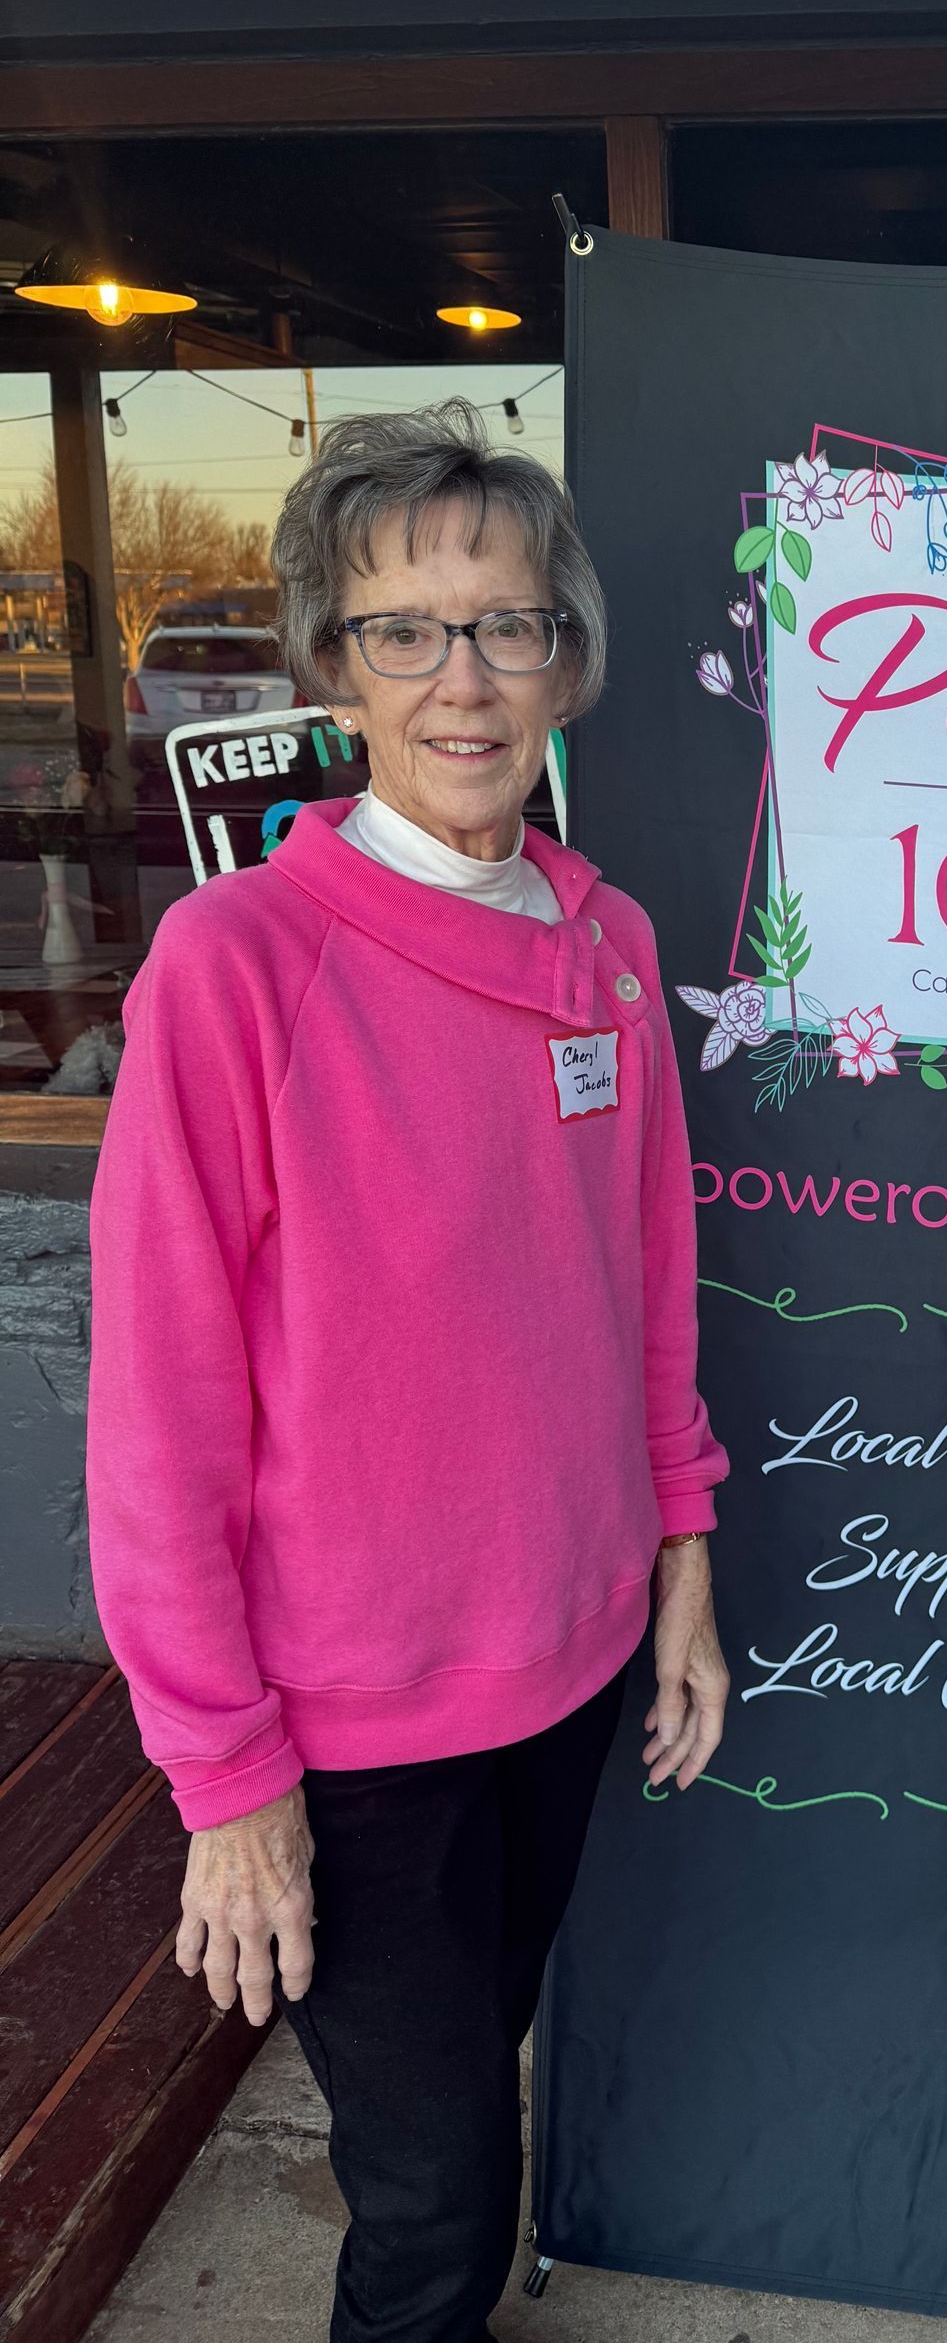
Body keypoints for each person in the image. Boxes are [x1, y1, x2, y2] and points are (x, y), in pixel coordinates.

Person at [87, 401, 729, 2343]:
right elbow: (159, 1416)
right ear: (333, 658)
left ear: (566, 656)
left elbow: (651, 1286)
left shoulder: (607, 943)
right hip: (352, 1724)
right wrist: (223, 1770)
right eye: (407, 628)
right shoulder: (235, 964)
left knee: (474, 2101)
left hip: (569, 1656)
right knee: (438, 2198)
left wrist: (681, 1561)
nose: (465, 679)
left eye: (508, 624)